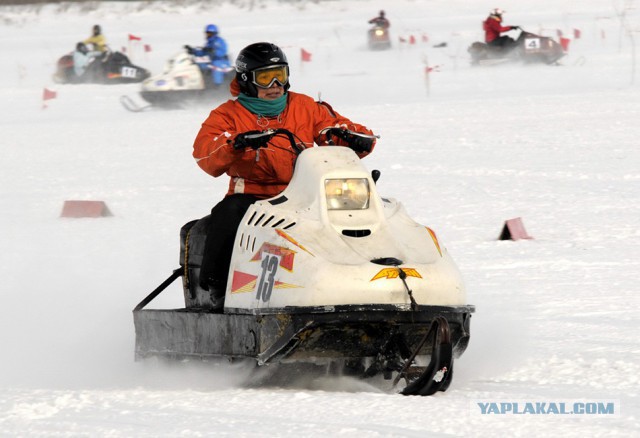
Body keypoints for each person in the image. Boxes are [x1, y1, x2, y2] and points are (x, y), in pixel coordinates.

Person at [192, 42, 377, 310]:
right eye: (266, 77)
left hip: (306, 192)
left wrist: (351, 136)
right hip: (255, 197)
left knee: (358, 210)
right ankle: (218, 288)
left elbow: (336, 126)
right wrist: (236, 143)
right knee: (228, 213)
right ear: (247, 81)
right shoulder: (227, 115)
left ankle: (366, 276)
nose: (276, 84)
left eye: (281, 74)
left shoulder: (304, 106)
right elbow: (205, 154)